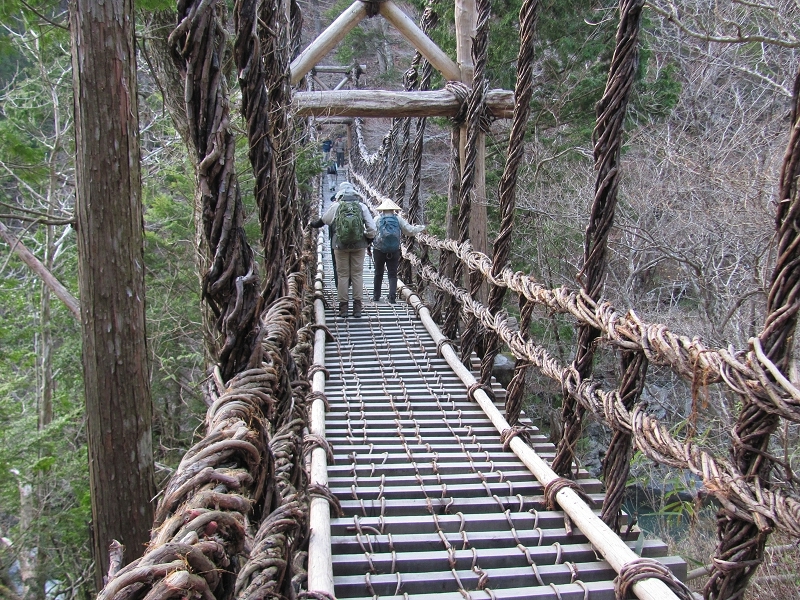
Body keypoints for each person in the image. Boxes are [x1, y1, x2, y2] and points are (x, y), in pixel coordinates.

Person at [312, 182, 375, 318]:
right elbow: (372, 229)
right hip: (359, 246)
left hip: (339, 246)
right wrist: (368, 240)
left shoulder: (336, 206)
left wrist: (311, 224)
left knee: (343, 275)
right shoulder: (362, 206)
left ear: (340, 194)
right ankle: (357, 308)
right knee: (357, 274)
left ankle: (343, 308)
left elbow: (322, 221)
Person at [372, 199, 425, 304]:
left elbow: (370, 231)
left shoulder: (377, 219)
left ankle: (376, 296)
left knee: (378, 273)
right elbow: (409, 231)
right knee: (392, 274)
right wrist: (421, 228)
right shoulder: (398, 219)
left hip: (379, 249)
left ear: (382, 209)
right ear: (393, 209)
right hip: (394, 250)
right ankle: (392, 297)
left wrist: (368, 244)